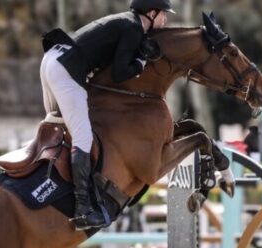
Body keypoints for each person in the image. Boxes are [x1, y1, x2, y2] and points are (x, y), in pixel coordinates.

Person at [39, 0, 174, 231]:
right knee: (82, 137)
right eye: (163, 14)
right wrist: (141, 62)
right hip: (65, 68)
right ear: (151, 14)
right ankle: (83, 210)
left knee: (59, 125)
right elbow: (120, 73)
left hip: (53, 58)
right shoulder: (134, 28)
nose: (166, 19)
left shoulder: (126, 22)